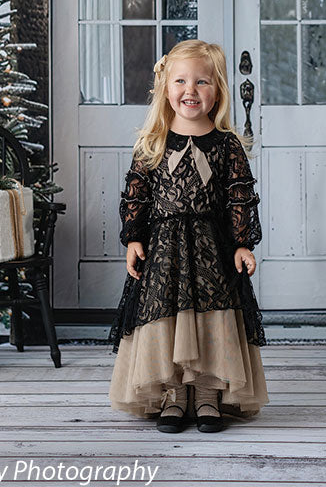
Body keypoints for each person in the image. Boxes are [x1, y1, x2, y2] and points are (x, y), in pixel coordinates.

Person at [107, 39, 269, 433]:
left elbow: (238, 196)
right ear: (165, 88)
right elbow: (137, 195)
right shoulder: (153, 143)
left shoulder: (227, 145)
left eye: (202, 82)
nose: (190, 91)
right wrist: (133, 238)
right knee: (164, 319)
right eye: (180, 81)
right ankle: (174, 394)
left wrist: (242, 242)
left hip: (212, 248)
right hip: (164, 251)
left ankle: (210, 393)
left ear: (218, 92)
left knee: (213, 318)